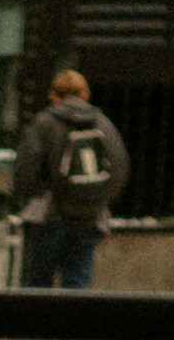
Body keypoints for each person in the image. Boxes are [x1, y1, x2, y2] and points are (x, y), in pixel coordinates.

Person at [8, 70, 128, 289]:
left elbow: (27, 167)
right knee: (77, 283)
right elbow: (119, 167)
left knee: (38, 283)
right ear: (84, 93)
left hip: (49, 214)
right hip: (90, 216)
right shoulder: (103, 124)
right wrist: (99, 200)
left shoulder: (44, 122)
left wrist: (27, 196)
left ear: (53, 95)